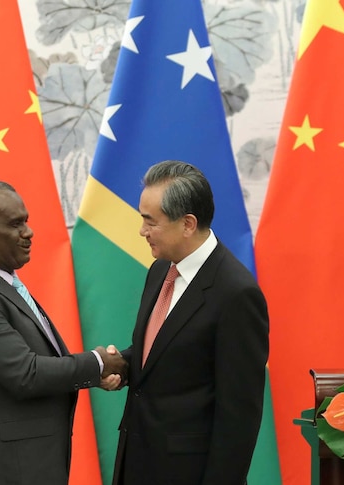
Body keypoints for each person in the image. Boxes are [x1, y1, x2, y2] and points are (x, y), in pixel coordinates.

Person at [0, 179, 127, 485]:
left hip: (29, 466)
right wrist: (98, 363)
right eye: (15, 224)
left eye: (26, 221)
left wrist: (95, 371)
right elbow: (25, 373)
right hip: (2, 471)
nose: (28, 232)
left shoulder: (2, 284)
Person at [111, 161, 269, 485]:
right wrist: (122, 364)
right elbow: (166, 353)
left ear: (187, 223)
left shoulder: (236, 295)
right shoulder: (160, 270)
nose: (142, 231)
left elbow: (239, 419)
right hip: (136, 463)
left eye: (149, 221)